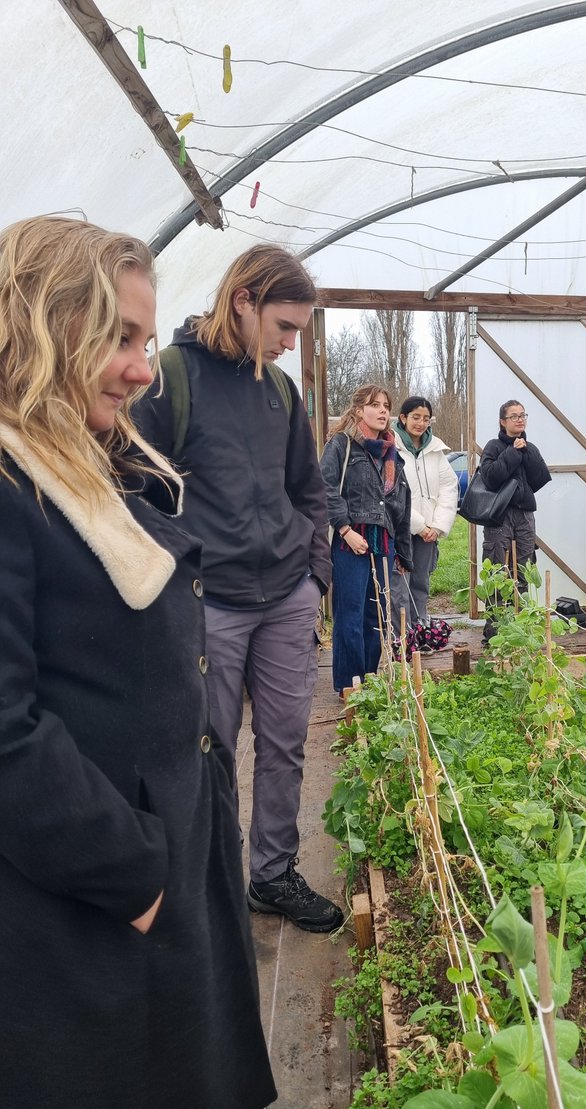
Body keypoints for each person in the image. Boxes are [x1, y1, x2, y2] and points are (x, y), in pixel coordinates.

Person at [0, 216, 275, 1109]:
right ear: (42, 328)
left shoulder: (66, 459)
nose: (139, 370)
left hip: (135, 886)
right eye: (118, 338)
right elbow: (4, 733)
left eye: (144, 341)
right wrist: (137, 875)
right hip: (82, 906)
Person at [136, 245, 342, 934]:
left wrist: (313, 578)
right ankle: (209, 882)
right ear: (245, 299)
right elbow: (133, 491)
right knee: (209, 746)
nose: (290, 344)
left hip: (286, 596)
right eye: (284, 327)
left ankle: (273, 875)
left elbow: (307, 490)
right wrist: (176, 585)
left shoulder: (281, 392)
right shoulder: (172, 378)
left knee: (285, 743)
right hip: (210, 604)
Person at [320, 385, 413, 693]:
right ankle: (349, 685)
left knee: (377, 614)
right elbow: (325, 487)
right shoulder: (341, 446)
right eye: (375, 405)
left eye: (386, 405)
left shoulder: (392, 455)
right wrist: (344, 529)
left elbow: (400, 503)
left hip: (382, 541)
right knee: (350, 614)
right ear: (359, 410)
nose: (383, 410)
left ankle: (370, 681)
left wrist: (402, 552)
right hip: (351, 541)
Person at [479, 399, 551, 639]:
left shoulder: (530, 447)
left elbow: (540, 479)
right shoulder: (493, 447)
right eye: (514, 416)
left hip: (525, 516)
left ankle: (520, 629)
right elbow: (490, 478)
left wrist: (525, 452)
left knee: (523, 570)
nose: (520, 419)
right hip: (499, 517)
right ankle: (495, 631)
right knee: (498, 570)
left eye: (523, 415)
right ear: (502, 421)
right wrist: (512, 452)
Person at [390, 395, 459, 638]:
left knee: (421, 581)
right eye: (416, 417)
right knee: (401, 584)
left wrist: (437, 526)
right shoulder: (391, 447)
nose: (421, 423)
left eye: (426, 419)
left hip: (429, 532)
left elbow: (449, 487)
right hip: (402, 529)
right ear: (403, 418)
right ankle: (401, 634)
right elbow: (393, 493)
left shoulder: (435, 450)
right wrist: (419, 525)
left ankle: (420, 628)